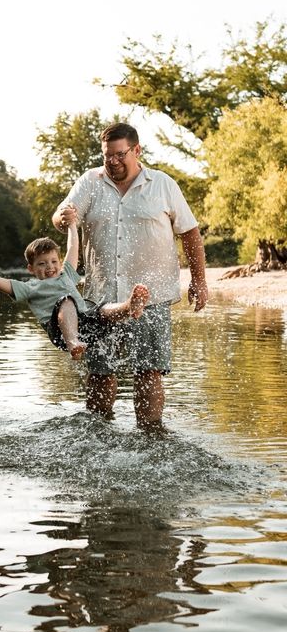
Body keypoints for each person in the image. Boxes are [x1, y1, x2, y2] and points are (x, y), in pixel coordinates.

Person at [52, 122, 208, 426]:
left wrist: (199, 281)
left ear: (136, 150)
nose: (113, 162)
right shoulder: (89, 182)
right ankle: (98, 439)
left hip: (151, 298)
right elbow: (61, 215)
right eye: (107, 156)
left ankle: (150, 438)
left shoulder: (162, 184)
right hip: (100, 299)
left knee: (148, 373)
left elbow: (189, 233)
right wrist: (63, 217)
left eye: (120, 155)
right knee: (99, 373)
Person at [0, 217, 150, 359]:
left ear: (59, 261)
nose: (49, 267)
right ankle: (73, 342)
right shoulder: (30, 288)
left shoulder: (66, 274)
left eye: (53, 262)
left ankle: (128, 307)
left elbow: (73, 247)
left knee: (102, 308)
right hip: (60, 332)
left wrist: (72, 225)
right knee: (66, 300)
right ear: (31, 269)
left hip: (86, 322)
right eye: (42, 264)